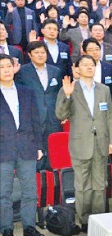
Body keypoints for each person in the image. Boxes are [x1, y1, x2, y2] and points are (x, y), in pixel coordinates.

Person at [55, 55, 112, 232]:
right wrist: (66, 95)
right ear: (77, 69)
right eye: (85, 65)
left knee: (99, 183)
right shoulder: (69, 89)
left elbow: (109, 116)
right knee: (82, 185)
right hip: (80, 143)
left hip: (101, 142)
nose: (90, 67)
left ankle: (98, 218)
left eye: (92, 64)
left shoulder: (103, 89)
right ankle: (83, 219)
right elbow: (60, 115)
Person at [0, 54, 45, 236]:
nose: (6, 70)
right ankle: (7, 229)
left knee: (30, 190)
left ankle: (29, 226)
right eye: (1, 67)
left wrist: (39, 146)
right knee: (4, 193)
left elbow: (37, 121)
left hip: (27, 146)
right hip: (3, 150)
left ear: (14, 67)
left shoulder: (27, 92)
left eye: (8, 66)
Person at [15, 40, 63, 168]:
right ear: (30, 55)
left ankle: (53, 184)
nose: (41, 55)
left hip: (53, 118)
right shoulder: (22, 72)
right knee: (37, 158)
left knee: (53, 156)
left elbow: (60, 94)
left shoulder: (56, 71)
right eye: (37, 52)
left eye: (43, 52)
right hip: (32, 119)